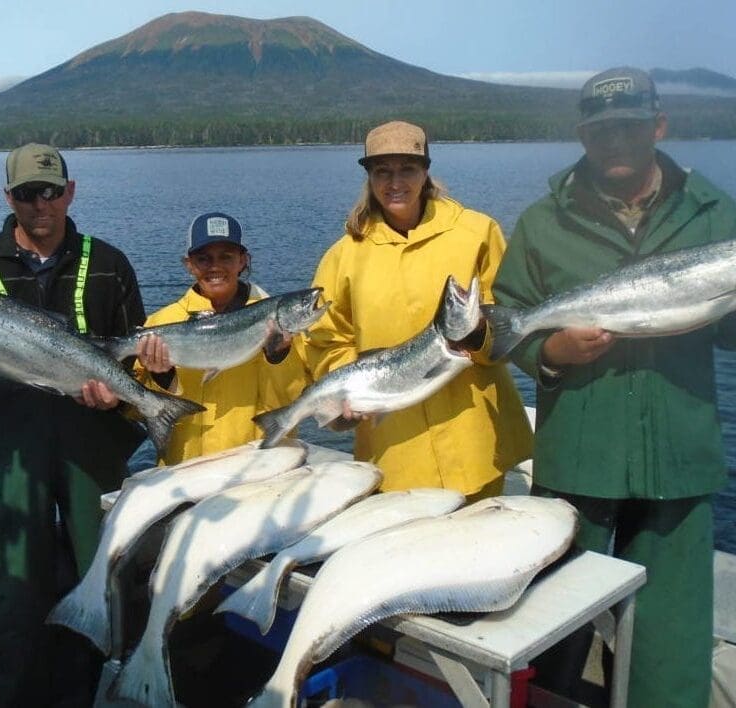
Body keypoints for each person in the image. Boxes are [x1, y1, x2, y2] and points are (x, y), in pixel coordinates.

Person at [491, 67, 736, 707]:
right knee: (550, 639)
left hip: (680, 464)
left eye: (630, 127)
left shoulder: (716, 216)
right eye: (603, 132)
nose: (617, 142)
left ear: (658, 126)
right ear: (583, 136)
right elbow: (508, 319)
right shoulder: (543, 222)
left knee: (670, 645)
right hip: (578, 458)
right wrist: (552, 350)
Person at [0, 143, 146, 707]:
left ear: (70, 192)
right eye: (28, 194)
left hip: (94, 450)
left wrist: (123, 401)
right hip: (13, 454)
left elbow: (137, 368)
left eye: (51, 191)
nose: (41, 205)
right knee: (15, 590)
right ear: (9, 198)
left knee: (100, 580)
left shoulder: (109, 263)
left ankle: (98, 694)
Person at [304, 120, 533, 497]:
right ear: (369, 177)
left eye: (407, 169)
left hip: (475, 441)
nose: (395, 182)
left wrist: (480, 336)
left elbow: (511, 319)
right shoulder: (342, 257)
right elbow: (325, 341)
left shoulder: (477, 232)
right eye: (383, 171)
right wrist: (347, 390)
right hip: (393, 447)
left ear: (426, 170)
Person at [136, 211, 309, 465]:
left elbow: (291, 404)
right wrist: (162, 377)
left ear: (243, 260)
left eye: (226, 257)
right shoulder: (160, 324)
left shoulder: (277, 324)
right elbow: (141, 410)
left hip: (258, 465)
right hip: (185, 467)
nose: (215, 267)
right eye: (204, 259)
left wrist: (278, 357)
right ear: (189, 264)